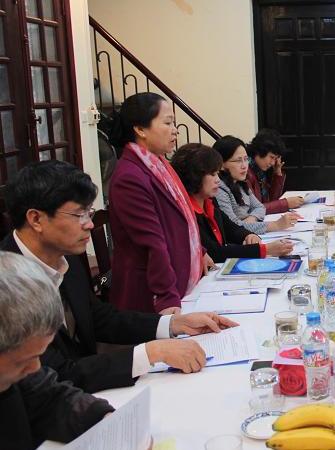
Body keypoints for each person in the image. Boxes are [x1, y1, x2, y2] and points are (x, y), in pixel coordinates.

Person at [2, 160, 238, 393]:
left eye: (89, 213)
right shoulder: (8, 284)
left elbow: (99, 317)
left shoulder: (63, 256)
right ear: (36, 219)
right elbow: (55, 374)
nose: (89, 224)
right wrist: (150, 353)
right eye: (79, 214)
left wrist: (174, 324)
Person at [0, 251, 116, 450]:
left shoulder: (19, 371)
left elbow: (51, 397)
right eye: (23, 361)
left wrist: (105, 422)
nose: (36, 368)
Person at [108, 92, 215, 313]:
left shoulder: (158, 164)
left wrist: (200, 251)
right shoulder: (130, 177)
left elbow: (180, 217)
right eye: (167, 123)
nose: (175, 130)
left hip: (178, 279)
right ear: (140, 129)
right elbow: (151, 242)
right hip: (148, 294)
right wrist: (166, 297)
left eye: (174, 123)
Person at [171, 143, 294, 262]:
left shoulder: (209, 201)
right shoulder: (186, 212)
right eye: (213, 174)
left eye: (217, 173)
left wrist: (248, 235)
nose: (217, 180)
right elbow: (215, 252)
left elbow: (231, 228)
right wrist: (264, 250)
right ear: (195, 176)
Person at [213, 136, 299, 235]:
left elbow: (260, 207)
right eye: (238, 160)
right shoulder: (219, 190)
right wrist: (276, 225)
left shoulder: (240, 183)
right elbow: (234, 227)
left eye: (246, 159)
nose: (244, 166)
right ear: (221, 164)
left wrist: (252, 218)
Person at [245, 129, 303, 213]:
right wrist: (286, 203)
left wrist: (277, 173)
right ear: (260, 151)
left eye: (275, 159)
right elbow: (254, 209)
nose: (272, 163)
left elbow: (272, 200)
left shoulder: (258, 170)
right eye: (271, 157)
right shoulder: (245, 171)